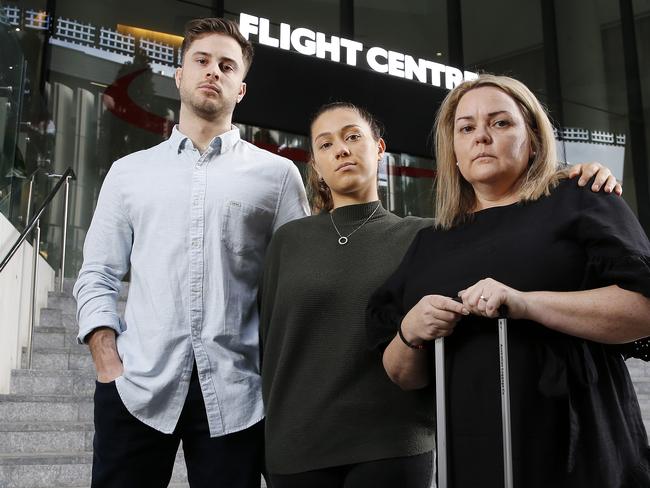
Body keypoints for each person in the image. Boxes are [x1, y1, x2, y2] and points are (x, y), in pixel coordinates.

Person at [259, 100, 621, 488]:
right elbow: (267, 343)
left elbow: (509, 229)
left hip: (394, 443)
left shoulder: (429, 237)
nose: (342, 150)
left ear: (379, 148)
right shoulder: (288, 240)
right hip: (296, 446)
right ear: (314, 163)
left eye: (352, 137)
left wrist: (568, 177)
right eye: (326, 144)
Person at [367, 74, 650, 488]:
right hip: (473, 456)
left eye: (500, 123)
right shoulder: (430, 241)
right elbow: (403, 375)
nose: (481, 136)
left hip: (580, 450)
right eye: (466, 128)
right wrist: (410, 331)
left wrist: (525, 302)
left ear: (532, 138)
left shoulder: (582, 197)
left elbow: (643, 310)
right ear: (455, 153)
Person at [73, 18, 309, 488]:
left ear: (240, 89)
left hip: (238, 393)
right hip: (137, 384)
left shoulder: (279, 177)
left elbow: (297, 286)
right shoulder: (128, 173)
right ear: (178, 75)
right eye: (201, 61)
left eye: (227, 66)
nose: (213, 72)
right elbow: (98, 272)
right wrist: (106, 358)